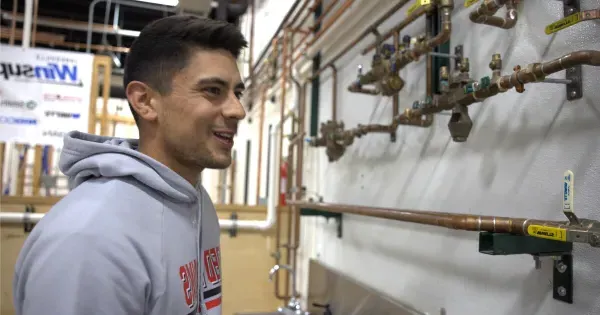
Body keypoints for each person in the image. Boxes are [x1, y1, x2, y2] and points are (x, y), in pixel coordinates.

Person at [13, 15, 247, 315]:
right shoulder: (90, 242)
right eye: (212, 90)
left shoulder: (196, 201)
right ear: (145, 101)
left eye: (237, 93)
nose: (237, 110)